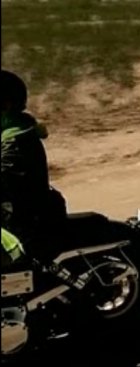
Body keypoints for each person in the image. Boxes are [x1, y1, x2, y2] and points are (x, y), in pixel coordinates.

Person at [1, 69, 53, 253]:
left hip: (24, 225)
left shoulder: (15, 141)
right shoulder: (10, 132)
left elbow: (4, 179)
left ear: (6, 106)